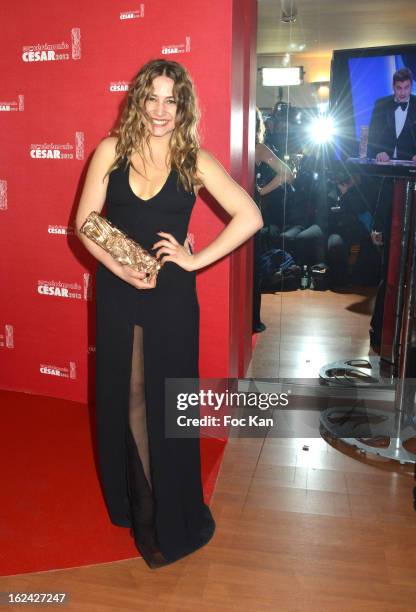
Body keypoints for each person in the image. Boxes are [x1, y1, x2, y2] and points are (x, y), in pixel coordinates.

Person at [75, 59, 263, 569]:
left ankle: (164, 516)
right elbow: (85, 224)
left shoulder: (193, 159)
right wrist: (121, 268)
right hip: (118, 288)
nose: (160, 110)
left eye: (171, 100)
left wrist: (193, 259)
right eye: (152, 98)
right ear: (138, 99)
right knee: (128, 396)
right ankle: (139, 507)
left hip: (171, 297)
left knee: (163, 400)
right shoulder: (111, 150)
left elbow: (250, 215)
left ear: (183, 106)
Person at [367, 67, 416, 349]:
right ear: (393, 87)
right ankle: (380, 332)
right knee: (389, 263)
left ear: (410, 86)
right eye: (398, 89)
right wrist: (378, 152)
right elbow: (372, 138)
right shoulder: (381, 105)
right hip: (387, 184)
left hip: (412, 183)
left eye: (406, 89)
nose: (402, 93)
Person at [253, 107, 293, 331]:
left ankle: (246, 319)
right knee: (252, 267)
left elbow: (287, 173)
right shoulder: (257, 149)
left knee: (249, 267)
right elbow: (287, 173)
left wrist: (260, 191)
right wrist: (261, 191)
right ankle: (251, 319)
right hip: (250, 210)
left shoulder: (257, 149)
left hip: (237, 210)